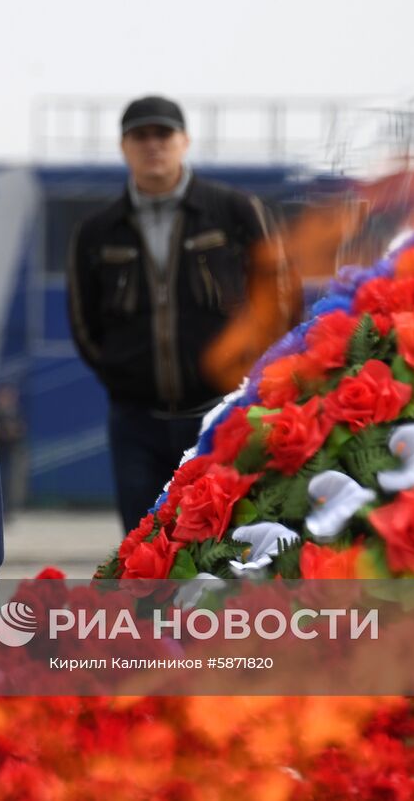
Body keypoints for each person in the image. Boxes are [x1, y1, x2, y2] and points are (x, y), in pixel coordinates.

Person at [67, 95, 284, 533]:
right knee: (144, 546)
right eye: (140, 135)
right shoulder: (97, 231)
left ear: (184, 141)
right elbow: (84, 323)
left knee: (225, 544)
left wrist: (248, 382)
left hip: (221, 417)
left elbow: (277, 302)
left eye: (163, 134)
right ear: (123, 146)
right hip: (136, 424)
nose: (153, 145)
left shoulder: (235, 213)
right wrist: (121, 375)